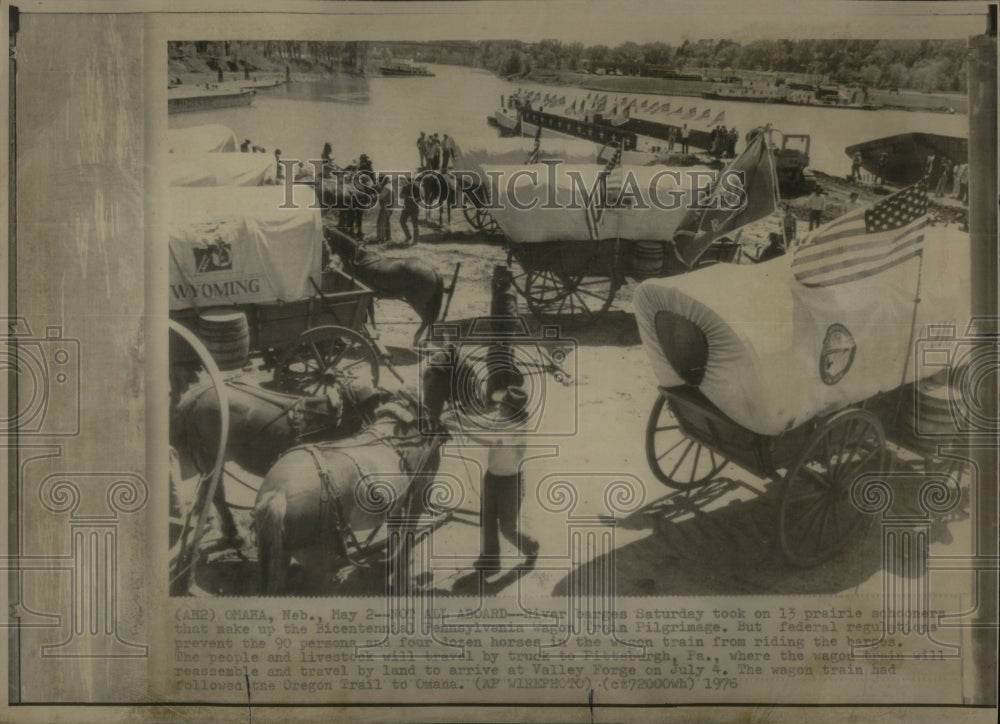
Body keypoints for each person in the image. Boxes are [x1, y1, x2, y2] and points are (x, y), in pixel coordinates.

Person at [456, 386, 539, 573]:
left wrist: (461, 429)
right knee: (487, 520)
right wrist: (460, 418)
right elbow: (480, 422)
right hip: (492, 477)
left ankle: (531, 547)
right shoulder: (501, 418)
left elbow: (492, 441)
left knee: (507, 528)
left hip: (510, 483)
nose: (499, 408)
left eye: (504, 406)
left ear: (513, 411)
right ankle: (491, 560)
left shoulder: (519, 428)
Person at [398, 176, 420, 244]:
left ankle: (411, 238)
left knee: (406, 222)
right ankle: (412, 238)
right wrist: (408, 197)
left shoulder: (415, 188)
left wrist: (410, 198)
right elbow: (401, 196)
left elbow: (420, 198)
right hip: (409, 208)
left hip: (411, 208)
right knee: (412, 223)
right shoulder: (407, 187)